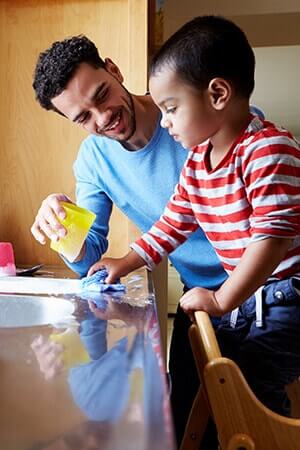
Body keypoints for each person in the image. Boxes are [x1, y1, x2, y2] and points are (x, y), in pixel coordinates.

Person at [88, 14, 300, 428]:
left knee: (255, 388)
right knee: (218, 383)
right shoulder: (198, 163)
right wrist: (125, 262)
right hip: (250, 298)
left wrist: (222, 300)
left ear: (218, 93)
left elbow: (271, 240)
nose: (164, 121)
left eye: (171, 108)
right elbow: (172, 224)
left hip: (287, 298)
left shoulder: (268, 148)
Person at [31, 34, 231, 448]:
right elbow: (90, 259)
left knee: (249, 413)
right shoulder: (94, 160)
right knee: (179, 421)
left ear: (114, 69)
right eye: (83, 117)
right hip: (199, 303)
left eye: (102, 95)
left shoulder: (190, 114)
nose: (102, 118)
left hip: (260, 289)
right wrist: (61, 223)